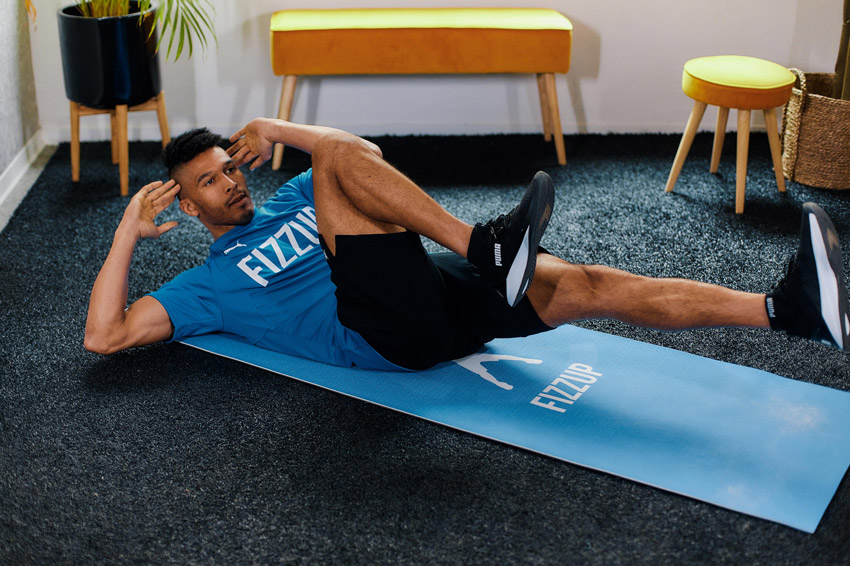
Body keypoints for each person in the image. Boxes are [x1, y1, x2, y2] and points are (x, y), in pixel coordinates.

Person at [84, 118, 849, 370]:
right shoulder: (205, 286)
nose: (233, 184)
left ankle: (787, 310)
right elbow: (104, 335)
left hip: (429, 290)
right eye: (213, 183)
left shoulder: (284, 199)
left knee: (586, 281)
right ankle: (487, 248)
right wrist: (125, 233)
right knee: (335, 166)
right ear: (184, 206)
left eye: (231, 168)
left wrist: (276, 131)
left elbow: (361, 155)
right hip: (378, 331)